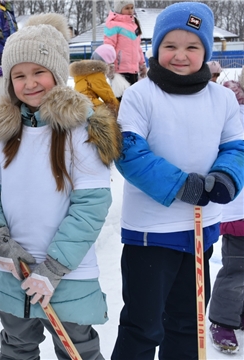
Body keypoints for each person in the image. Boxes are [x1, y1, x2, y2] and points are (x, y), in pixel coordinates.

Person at [0, 13, 122, 360]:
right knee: (17, 346)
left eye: (39, 72)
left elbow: (91, 205)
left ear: (57, 72)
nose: (30, 83)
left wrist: (53, 267)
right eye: (19, 75)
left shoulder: (80, 131)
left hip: (68, 273)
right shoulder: (0, 133)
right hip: (13, 270)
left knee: (77, 349)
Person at [111, 3, 244, 359]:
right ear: (155, 49)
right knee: (143, 325)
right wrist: (183, 185)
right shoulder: (142, 94)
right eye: (170, 46)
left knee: (188, 323)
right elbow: (129, 152)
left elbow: (236, 147)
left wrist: (225, 176)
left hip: (201, 229)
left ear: (206, 52)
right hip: (151, 234)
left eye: (192, 47)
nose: (180, 56)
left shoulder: (223, 98)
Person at [208, 68, 244, 354]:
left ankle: (239, 313)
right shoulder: (234, 114)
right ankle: (222, 319)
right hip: (239, 211)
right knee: (237, 270)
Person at [103, 0, 146, 91]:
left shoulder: (134, 25)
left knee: (134, 98)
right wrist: (109, 64)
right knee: (122, 98)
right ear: (119, 9)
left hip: (134, 69)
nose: (130, 10)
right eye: (127, 8)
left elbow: (138, 48)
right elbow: (109, 46)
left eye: (131, 8)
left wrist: (142, 64)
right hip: (120, 69)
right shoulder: (113, 24)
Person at [69, 43, 120, 115]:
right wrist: (118, 110)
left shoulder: (84, 70)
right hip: (88, 106)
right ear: (106, 63)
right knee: (106, 114)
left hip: (78, 104)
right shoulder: (96, 74)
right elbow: (108, 95)